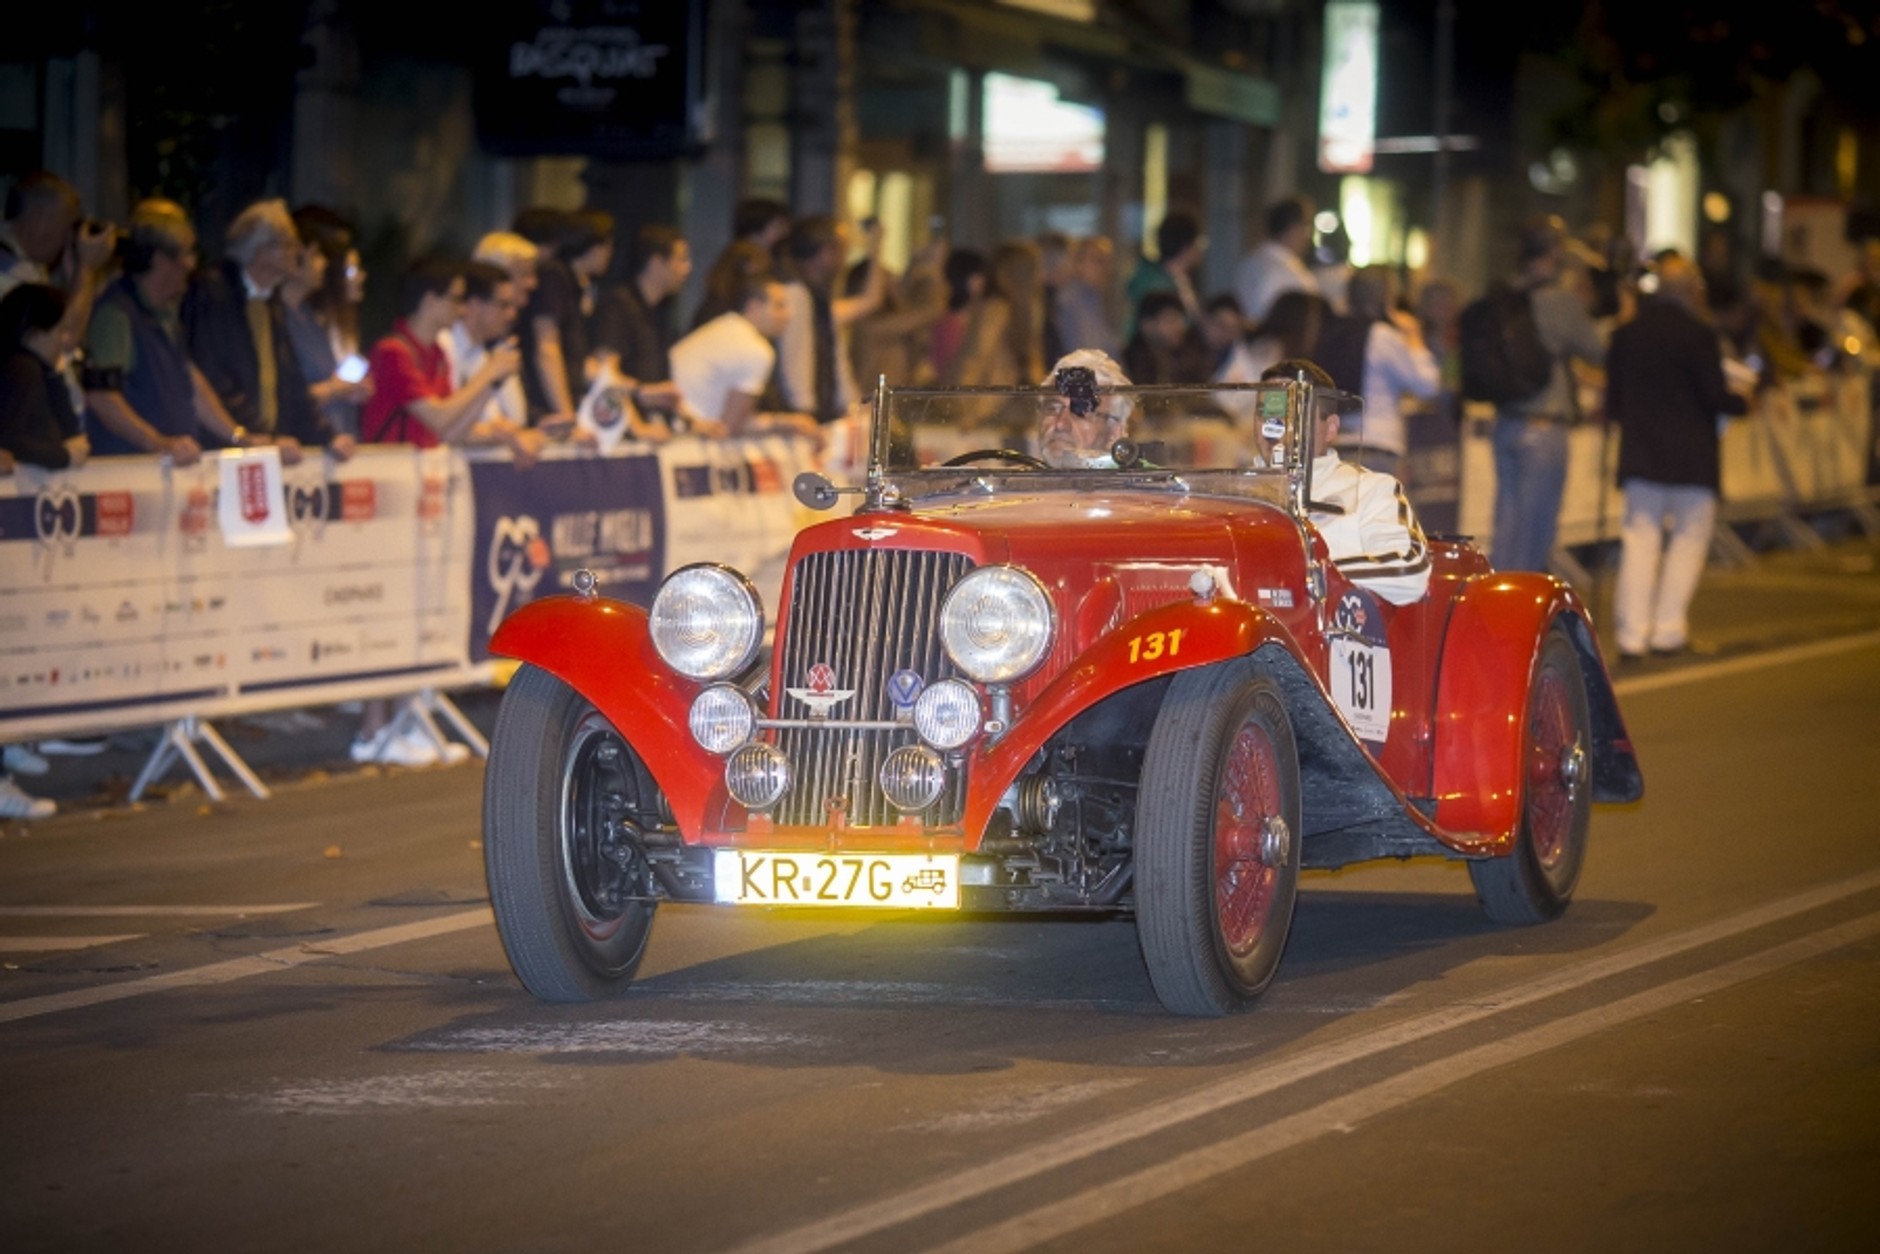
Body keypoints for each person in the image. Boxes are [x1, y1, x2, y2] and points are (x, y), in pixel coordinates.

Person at [1606, 255, 1749, 660]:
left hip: (1642, 455)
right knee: (1688, 540)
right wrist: (1743, 400)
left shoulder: (1627, 335)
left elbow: (1613, 403)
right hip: (1692, 456)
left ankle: (1632, 635)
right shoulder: (1700, 335)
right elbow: (1714, 396)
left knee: (1639, 541)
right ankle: (1668, 630)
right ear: (1691, 290)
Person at [184, 198, 355, 462]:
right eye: (288, 244)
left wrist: (328, 436)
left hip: (261, 448)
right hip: (224, 452)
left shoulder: (268, 300)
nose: (296, 252)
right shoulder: (215, 294)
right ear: (261, 250)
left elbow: (291, 382)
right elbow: (216, 379)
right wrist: (260, 436)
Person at [1489, 215, 1610, 573]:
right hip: (1544, 428)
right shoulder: (1561, 301)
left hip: (1506, 423)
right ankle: (1525, 618)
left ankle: (1498, 605)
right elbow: (1599, 350)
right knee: (1535, 534)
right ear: (1554, 253)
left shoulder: (1506, 294)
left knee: (1508, 528)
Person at [81, 199, 245, 462]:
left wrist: (238, 437)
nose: (192, 264)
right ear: (161, 260)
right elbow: (102, 397)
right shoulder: (116, 315)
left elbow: (192, 384)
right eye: (187, 253)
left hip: (165, 470)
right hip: (130, 479)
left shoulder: (163, 315)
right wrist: (159, 443)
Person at [1261, 358, 1431, 605]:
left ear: (1330, 429)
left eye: (1293, 413)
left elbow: (1408, 570)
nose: (1274, 426)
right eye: (1265, 413)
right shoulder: (1228, 495)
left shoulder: (1372, 489)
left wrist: (1304, 574)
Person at [360, 256, 522, 450]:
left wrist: (493, 384)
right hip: (388, 471)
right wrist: (489, 373)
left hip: (421, 473)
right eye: (456, 299)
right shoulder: (392, 352)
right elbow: (439, 418)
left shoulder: (437, 354)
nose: (462, 309)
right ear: (429, 301)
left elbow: (450, 432)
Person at [1326, 266, 1441, 480]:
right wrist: (1414, 337)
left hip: (1338, 444)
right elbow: (1427, 385)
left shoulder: (1332, 332)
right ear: (1387, 298)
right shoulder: (1383, 336)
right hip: (1377, 445)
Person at [668, 272, 816, 438]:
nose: (788, 315)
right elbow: (729, 428)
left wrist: (783, 422)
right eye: (779, 306)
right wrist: (782, 423)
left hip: (674, 428)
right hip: (686, 439)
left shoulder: (724, 327)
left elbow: (734, 423)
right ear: (753, 307)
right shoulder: (756, 350)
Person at [777, 215, 884, 424]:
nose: (844, 258)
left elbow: (870, 300)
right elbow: (795, 361)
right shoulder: (796, 294)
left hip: (815, 414)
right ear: (826, 251)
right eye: (842, 249)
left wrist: (852, 405)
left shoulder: (817, 299)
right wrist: (804, 412)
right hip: (804, 416)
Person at [437, 261, 545, 464]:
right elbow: (444, 426)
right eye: (503, 305)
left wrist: (540, 430)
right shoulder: (443, 347)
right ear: (475, 305)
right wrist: (499, 432)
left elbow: (511, 419)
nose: (511, 314)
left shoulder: (481, 354)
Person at [286, 206, 371, 439]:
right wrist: (336, 388)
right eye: (317, 255)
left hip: (338, 442)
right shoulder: (285, 318)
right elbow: (288, 399)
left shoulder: (311, 320)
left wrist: (349, 390)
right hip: (305, 448)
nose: (322, 262)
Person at [0, 283, 90, 471]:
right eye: (60, 331)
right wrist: (62, 456)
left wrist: (53, 375)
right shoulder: (24, 369)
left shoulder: (36, 371)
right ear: (35, 334)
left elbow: (71, 435)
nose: (65, 340)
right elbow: (11, 438)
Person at [1035, 348, 1136, 470]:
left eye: (1080, 412)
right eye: (1052, 408)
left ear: (1113, 433)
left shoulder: (1143, 487)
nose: (1061, 424)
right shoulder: (1014, 484)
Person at [1234, 195, 1319, 325]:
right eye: (1307, 227)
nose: (1308, 236)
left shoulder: (1250, 263)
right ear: (1294, 229)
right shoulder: (1284, 273)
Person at [1124, 209, 1205, 338]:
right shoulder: (1153, 284)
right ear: (1186, 246)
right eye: (1199, 242)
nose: (1201, 249)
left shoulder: (1179, 280)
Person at [1053, 235, 1120, 360]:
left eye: (1108, 261)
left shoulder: (1096, 302)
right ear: (1078, 263)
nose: (1107, 269)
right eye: (1099, 261)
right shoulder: (1068, 303)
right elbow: (1082, 358)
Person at [1122, 290, 1200, 385]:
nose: (1178, 327)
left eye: (1180, 319)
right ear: (1147, 325)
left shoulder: (1189, 359)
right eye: (1170, 320)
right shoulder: (1128, 362)